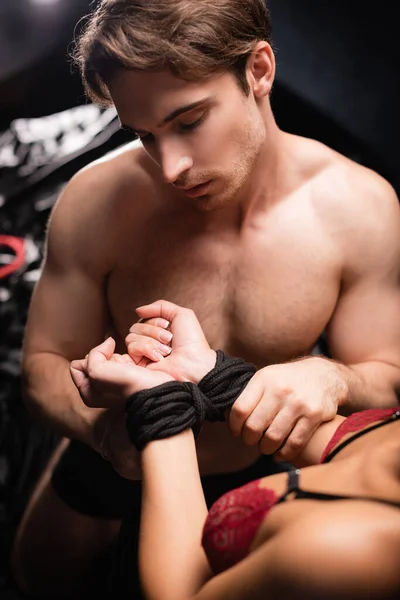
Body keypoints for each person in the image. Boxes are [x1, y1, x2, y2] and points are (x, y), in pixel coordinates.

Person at [11, 0, 400, 596]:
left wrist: (333, 379)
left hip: (249, 469)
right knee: (37, 579)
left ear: (259, 71)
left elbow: (387, 375)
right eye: (144, 135)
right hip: (113, 451)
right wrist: (110, 437)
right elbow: (41, 368)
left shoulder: (360, 210)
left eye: (189, 121)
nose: (170, 167)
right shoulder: (97, 201)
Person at [70, 299, 400, 600]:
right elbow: (351, 446)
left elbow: (184, 594)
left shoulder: (350, 551)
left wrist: (160, 403)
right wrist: (213, 375)